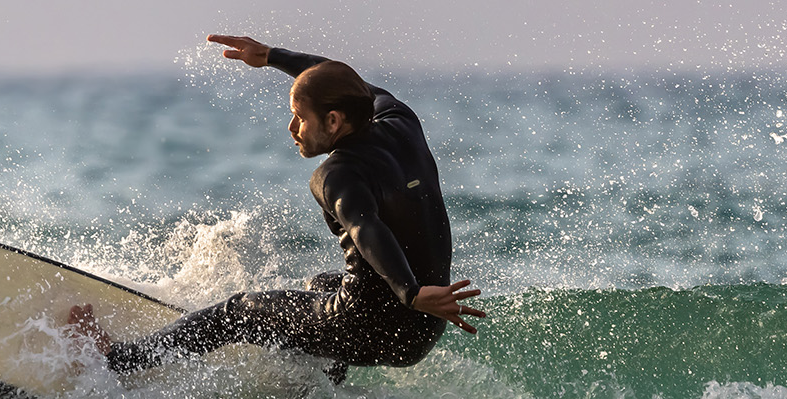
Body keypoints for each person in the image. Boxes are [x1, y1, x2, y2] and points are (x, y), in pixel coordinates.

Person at [68, 34, 484, 379]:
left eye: (299, 117)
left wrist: (409, 292)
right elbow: (348, 80)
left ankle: (115, 363)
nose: (292, 129)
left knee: (239, 312)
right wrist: (270, 57)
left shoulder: (337, 175)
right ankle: (322, 389)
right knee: (322, 285)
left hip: (373, 323)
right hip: (423, 327)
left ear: (334, 122)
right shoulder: (398, 118)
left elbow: (365, 227)